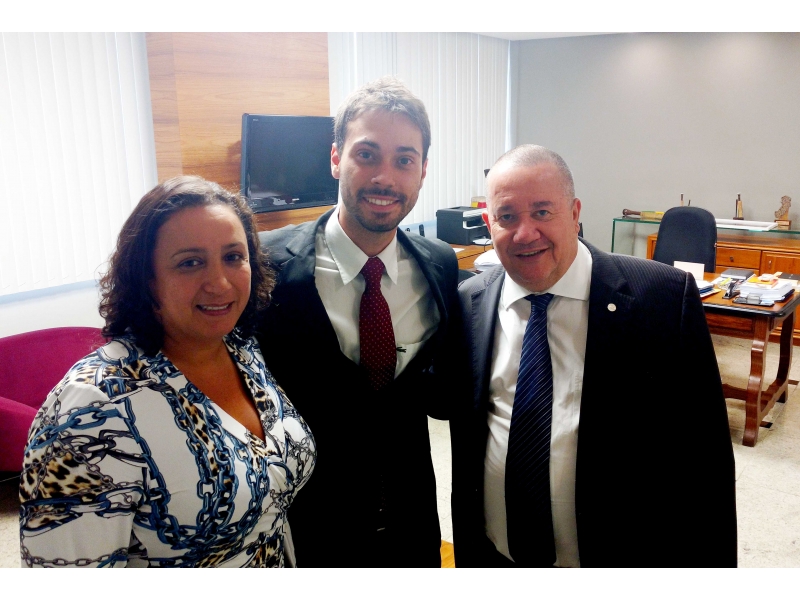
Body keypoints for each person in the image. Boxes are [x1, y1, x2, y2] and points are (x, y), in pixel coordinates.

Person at [450, 144, 737, 567]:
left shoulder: (661, 298)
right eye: (507, 217)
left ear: (574, 212)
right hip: (495, 556)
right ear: (490, 224)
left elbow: (706, 465)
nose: (525, 233)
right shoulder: (470, 302)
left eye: (543, 212)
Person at [19, 176, 315, 568]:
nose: (220, 283)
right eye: (190, 262)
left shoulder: (242, 348)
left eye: (233, 257)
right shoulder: (91, 410)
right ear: (146, 279)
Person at [257, 77, 460, 567]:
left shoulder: (439, 264)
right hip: (309, 527)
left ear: (423, 170)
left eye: (404, 160)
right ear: (335, 158)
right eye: (366, 154)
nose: (384, 177)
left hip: (411, 524)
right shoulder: (264, 265)